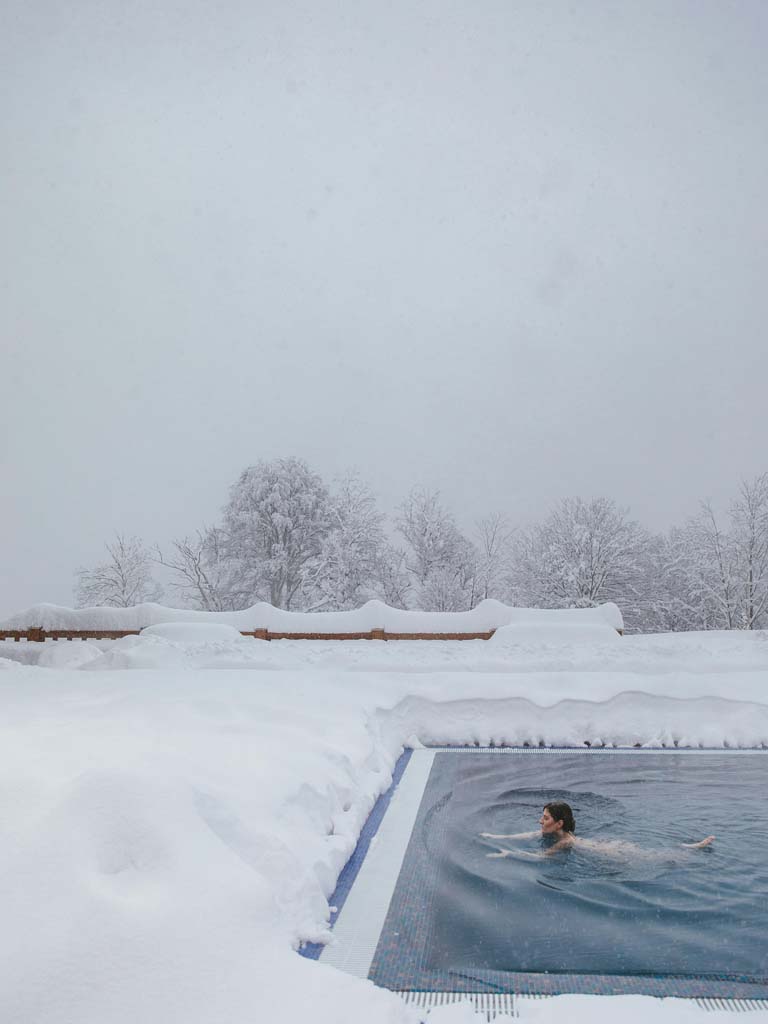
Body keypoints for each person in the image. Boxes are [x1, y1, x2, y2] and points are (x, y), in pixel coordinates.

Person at [480, 801, 715, 858]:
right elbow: (526, 835)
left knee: (656, 856)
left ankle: (692, 849)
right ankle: (690, 847)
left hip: (616, 855)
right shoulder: (554, 833)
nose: (540, 822)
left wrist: (509, 854)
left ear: (559, 824)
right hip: (608, 847)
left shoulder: (566, 842)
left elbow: (540, 857)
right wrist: (496, 837)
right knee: (654, 853)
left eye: (545, 818)